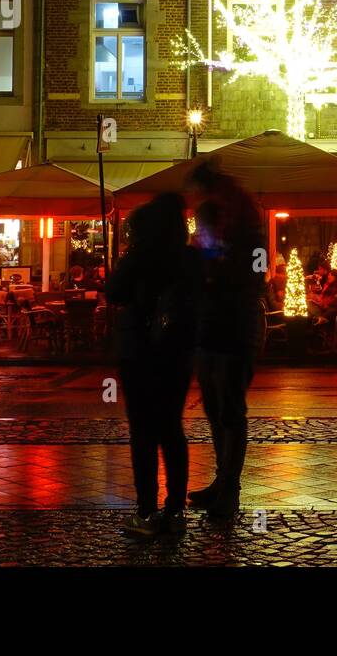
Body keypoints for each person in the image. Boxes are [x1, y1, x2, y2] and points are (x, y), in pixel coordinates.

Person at [107, 192, 199, 538]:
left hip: (140, 350)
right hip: (176, 351)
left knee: (143, 432)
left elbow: (114, 292)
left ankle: (146, 510)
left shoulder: (140, 256)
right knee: (172, 429)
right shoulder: (188, 259)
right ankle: (175, 510)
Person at [186, 162, 265, 520]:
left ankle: (229, 489)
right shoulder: (231, 220)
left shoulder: (239, 225)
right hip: (217, 326)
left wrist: (208, 269)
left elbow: (244, 275)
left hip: (231, 327)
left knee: (228, 410)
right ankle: (223, 481)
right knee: (218, 409)